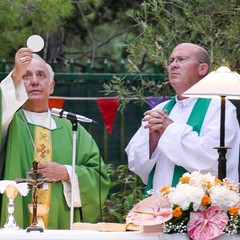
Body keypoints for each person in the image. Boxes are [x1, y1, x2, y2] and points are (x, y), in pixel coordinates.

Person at [0, 47, 110, 229]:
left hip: (61, 224)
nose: (34, 81)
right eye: (26, 76)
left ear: (51, 86)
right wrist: (15, 74)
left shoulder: (72, 128)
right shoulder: (9, 122)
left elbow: (99, 177)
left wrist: (67, 172)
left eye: (41, 75)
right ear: (18, 84)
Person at [125, 43, 240, 193]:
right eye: (171, 60)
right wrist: (151, 141)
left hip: (202, 207)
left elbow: (212, 160)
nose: (173, 65)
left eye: (181, 59)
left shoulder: (220, 107)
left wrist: (169, 129)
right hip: (158, 205)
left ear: (202, 69)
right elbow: (136, 165)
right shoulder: (159, 110)